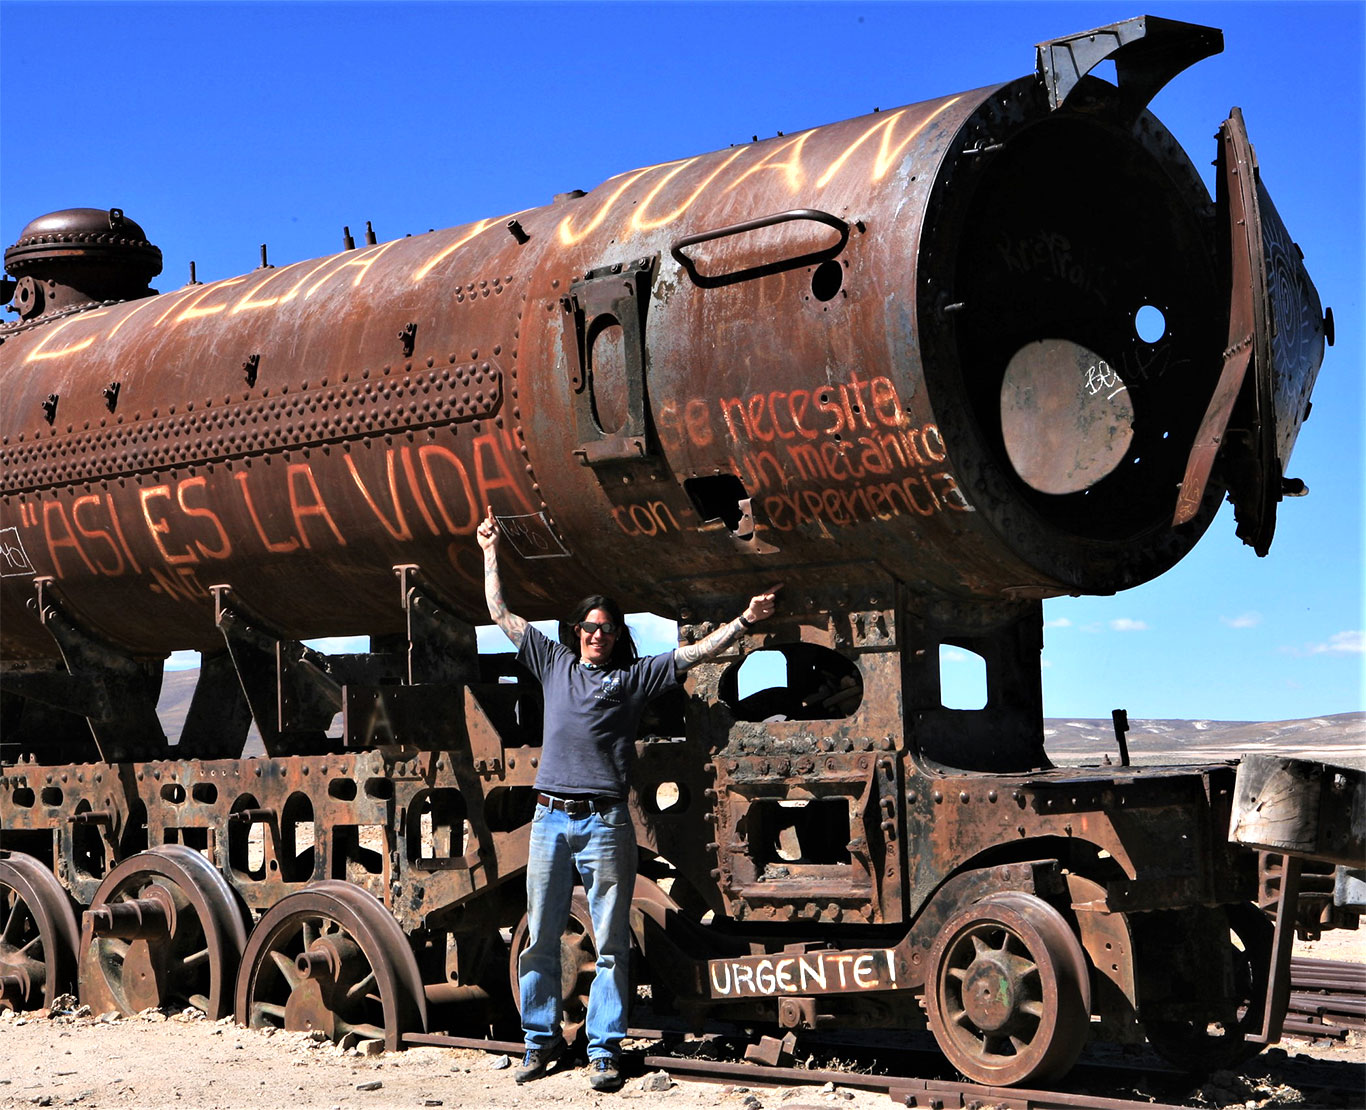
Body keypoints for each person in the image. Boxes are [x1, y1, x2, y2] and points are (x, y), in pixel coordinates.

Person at [477, 506, 779, 1093]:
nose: (596, 635)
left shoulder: (633, 678)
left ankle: (604, 1051)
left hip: (605, 824)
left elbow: (696, 656)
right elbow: (500, 613)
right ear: (576, 632)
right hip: (550, 820)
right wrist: (490, 550)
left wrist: (744, 621)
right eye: (589, 627)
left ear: (618, 636)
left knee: (612, 940)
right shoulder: (553, 662)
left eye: (606, 629)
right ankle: (538, 1044)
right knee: (541, 934)